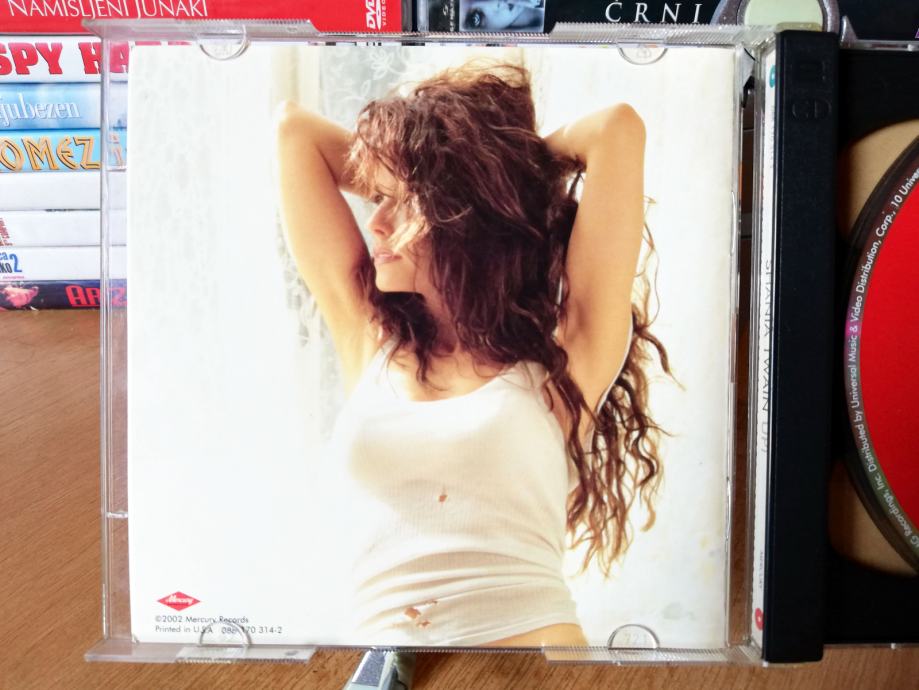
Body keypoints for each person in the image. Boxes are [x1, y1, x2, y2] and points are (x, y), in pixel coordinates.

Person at [275, 63, 668, 647]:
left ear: (461, 214)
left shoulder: (564, 366)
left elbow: (616, 130)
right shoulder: (369, 340)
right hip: (387, 672)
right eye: (376, 198)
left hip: (534, 664)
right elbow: (294, 133)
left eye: (398, 202)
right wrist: (435, 174)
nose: (374, 222)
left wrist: (497, 175)